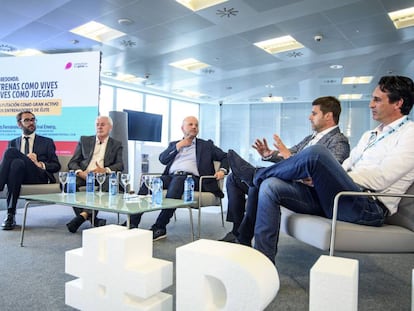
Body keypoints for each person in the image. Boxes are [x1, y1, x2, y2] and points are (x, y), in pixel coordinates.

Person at [228, 75, 414, 263]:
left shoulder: (410, 134)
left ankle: (256, 175)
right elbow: (345, 167)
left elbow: (381, 178)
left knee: (316, 153)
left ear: (398, 103)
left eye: (377, 99)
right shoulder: (370, 135)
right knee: (270, 185)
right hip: (337, 197)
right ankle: (262, 261)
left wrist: (333, 176)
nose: (370, 104)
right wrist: (325, 178)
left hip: (368, 205)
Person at [220, 96, 350, 243]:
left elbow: (326, 176)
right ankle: (237, 231)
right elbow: (290, 153)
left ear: (328, 116)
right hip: (294, 184)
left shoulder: (339, 141)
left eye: (314, 113)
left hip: (312, 196)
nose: (309, 117)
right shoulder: (311, 138)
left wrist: (289, 157)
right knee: (234, 178)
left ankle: (243, 237)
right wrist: (269, 154)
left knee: (262, 182)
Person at [129, 115, 229, 241]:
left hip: (195, 180)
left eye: (196, 125)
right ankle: (133, 222)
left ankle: (160, 226)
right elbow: (162, 159)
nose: (194, 127)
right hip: (171, 177)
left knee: (180, 179)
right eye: (190, 124)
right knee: (148, 183)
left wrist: (222, 170)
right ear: (182, 128)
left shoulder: (206, 145)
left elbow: (226, 156)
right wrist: (179, 146)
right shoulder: (174, 144)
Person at [0, 111, 61, 230]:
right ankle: (10, 215)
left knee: (10, 152)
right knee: (17, 164)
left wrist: (39, 164)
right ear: (19, 124)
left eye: (33, 119)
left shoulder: (47, 141)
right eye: (27, 120)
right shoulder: (13, 142)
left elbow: (56, 165)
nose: (31, 122)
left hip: (38, 176)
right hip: (18, 177)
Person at [65, 115, 124, 233]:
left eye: (103, 124)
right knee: (69, 183)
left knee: (110, 182)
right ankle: (93, 219)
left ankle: (83, 215)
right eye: (97, 124)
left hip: (103, 176)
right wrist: (80, 172)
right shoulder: (84, 140)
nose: (99, 127)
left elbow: (120, 165)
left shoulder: (116, 144)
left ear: (110, 127)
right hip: (85, 175)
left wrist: (105, 170)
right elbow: (72, 162)